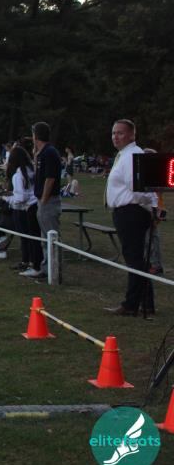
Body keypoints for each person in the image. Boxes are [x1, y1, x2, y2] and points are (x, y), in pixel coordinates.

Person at [104, 119, 157, 318]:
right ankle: (146, 303)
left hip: (131, 212)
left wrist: (142, 207)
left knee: (134, 259)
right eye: (113, 133)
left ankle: (131, 304)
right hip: (128, 211)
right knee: (136, 259)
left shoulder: (132, 155)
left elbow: (139, 189)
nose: (115, 137)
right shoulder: (124, 155)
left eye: (120, 133)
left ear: (132, 135)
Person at [21, 122, 62, 279]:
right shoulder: (42, 153)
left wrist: (43, 201)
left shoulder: (50, 152)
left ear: (36, 135)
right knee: (45, 238)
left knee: (51, 237)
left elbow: (50, 179)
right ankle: (46, 269)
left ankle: (54, 272)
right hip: (42, 200)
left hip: (48, 201)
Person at [6, 145, 40, 271]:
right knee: (31, 237)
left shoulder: (18, 176)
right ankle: (28, 261)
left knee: (26, 237)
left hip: (25, 208)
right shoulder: (32, 170)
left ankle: (29, 262)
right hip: (34, 205)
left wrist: (8, 199)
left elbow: (21, 197)